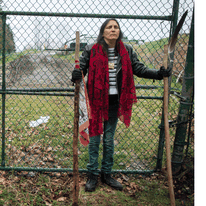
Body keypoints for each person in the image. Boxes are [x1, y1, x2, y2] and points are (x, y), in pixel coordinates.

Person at [71, 19, 171, 192]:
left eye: (115, 27)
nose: (113, 30)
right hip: (94, 101)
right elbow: (82, 69)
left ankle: (107, 175)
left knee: (109, 140)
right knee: (94, 140)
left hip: (114, 102)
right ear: (103, 32)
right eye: (109, 27)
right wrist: (76, 74)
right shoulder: (91, 49)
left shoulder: (127, 50)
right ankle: (92, 175)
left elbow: (138, 69)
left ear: (119, 31)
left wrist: (158, 73)